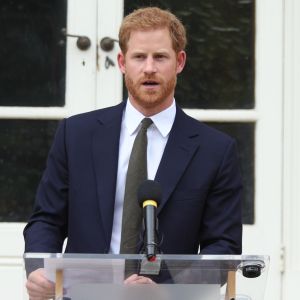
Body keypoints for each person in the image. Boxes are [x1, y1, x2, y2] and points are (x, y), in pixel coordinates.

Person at [24, 6, 243, 299]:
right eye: (139, 57)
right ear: (122, 62)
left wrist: (164, 289)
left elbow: (222, 247)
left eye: (160, 57)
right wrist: (40, 267)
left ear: (179, 62)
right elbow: (47, 220)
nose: (149, 68)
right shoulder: (76, 135)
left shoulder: (215, 150)